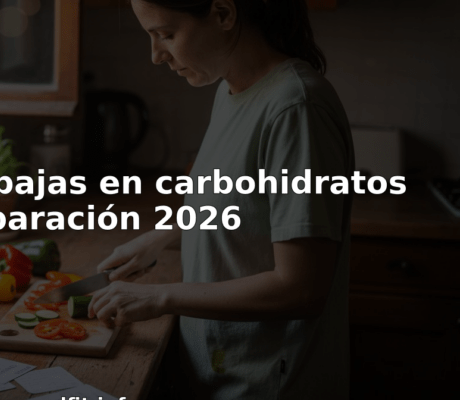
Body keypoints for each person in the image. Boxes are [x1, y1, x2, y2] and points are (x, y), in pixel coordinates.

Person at [87, 0, 355, 398]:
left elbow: (301, 288)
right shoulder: (230, 91)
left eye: (166, 34)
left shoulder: (296, 109)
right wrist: (158, 239)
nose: (156, 55)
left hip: (267, 384)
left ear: (225, 14)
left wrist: (160, 296)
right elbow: (237, 202)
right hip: (218, 371)